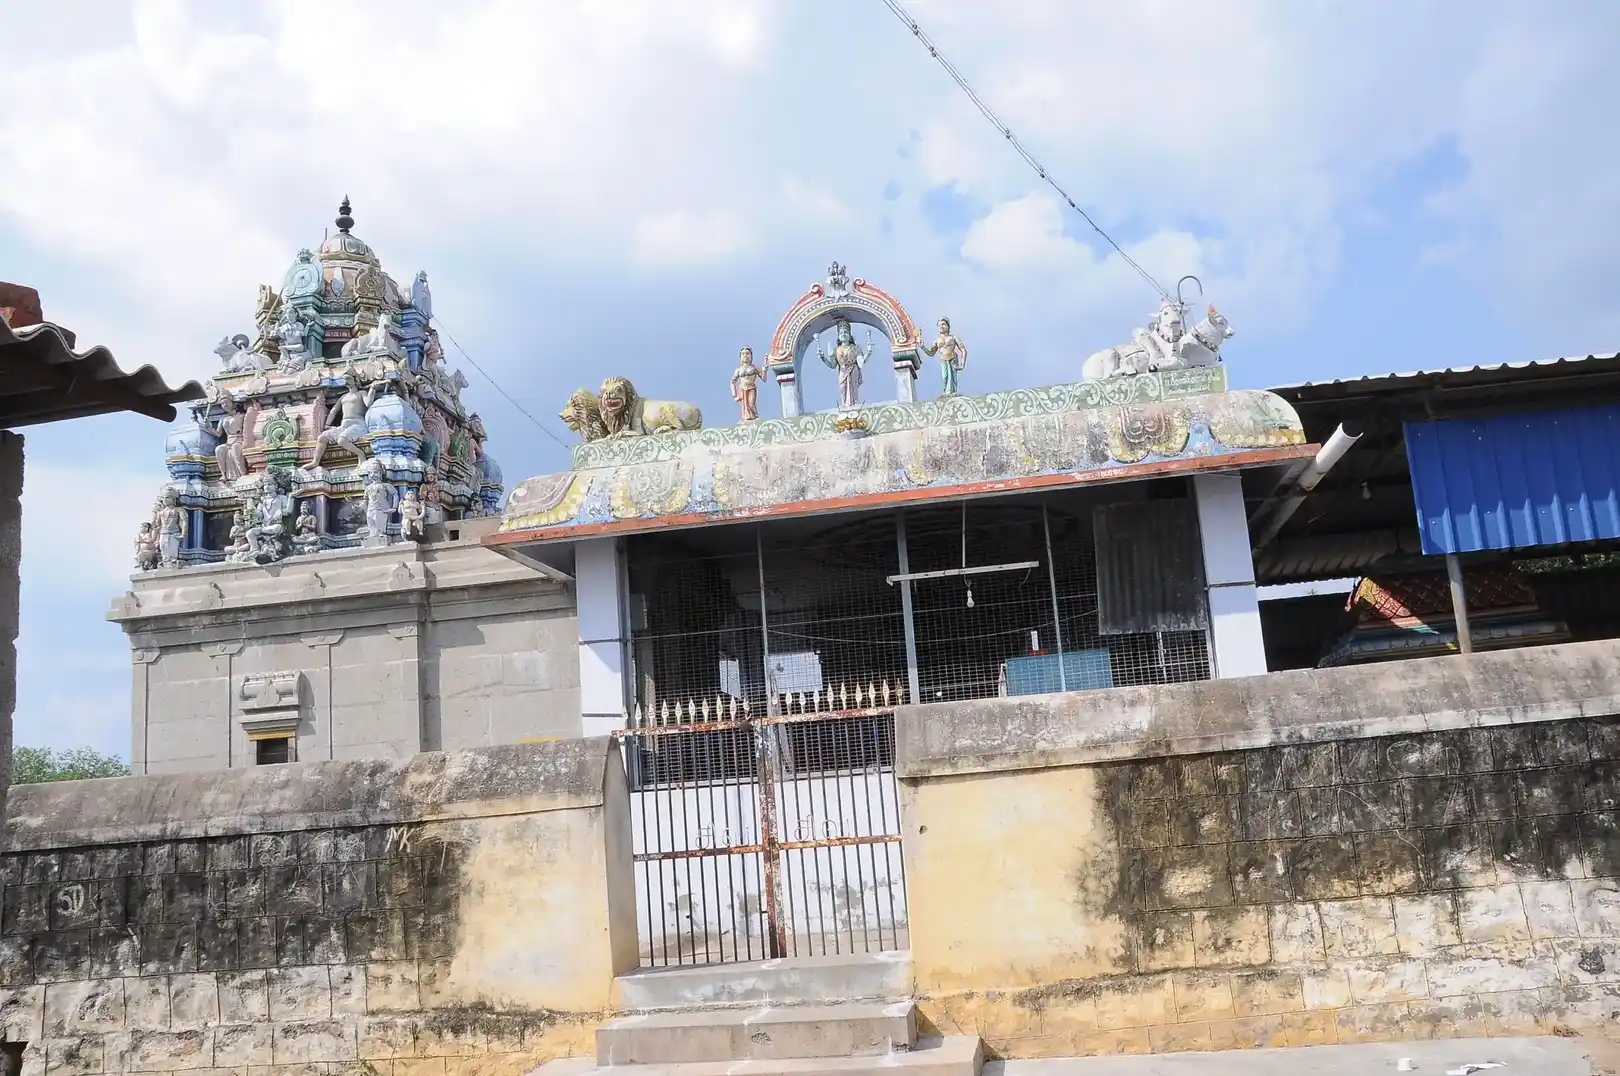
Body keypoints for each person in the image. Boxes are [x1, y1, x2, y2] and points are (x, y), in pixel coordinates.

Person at [731, 347, 763, 422]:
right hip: (742, 389)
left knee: (751, 404)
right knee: (744, 407)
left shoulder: (754, 368)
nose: (745, 355)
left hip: (751, 387)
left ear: (751, 356)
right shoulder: (738, 370)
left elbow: (763, 378)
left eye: (747, 354)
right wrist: (734, 394)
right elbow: (733, 382)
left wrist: (764, 369)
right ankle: (746, 419)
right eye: (743, 354)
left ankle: (756, 417)